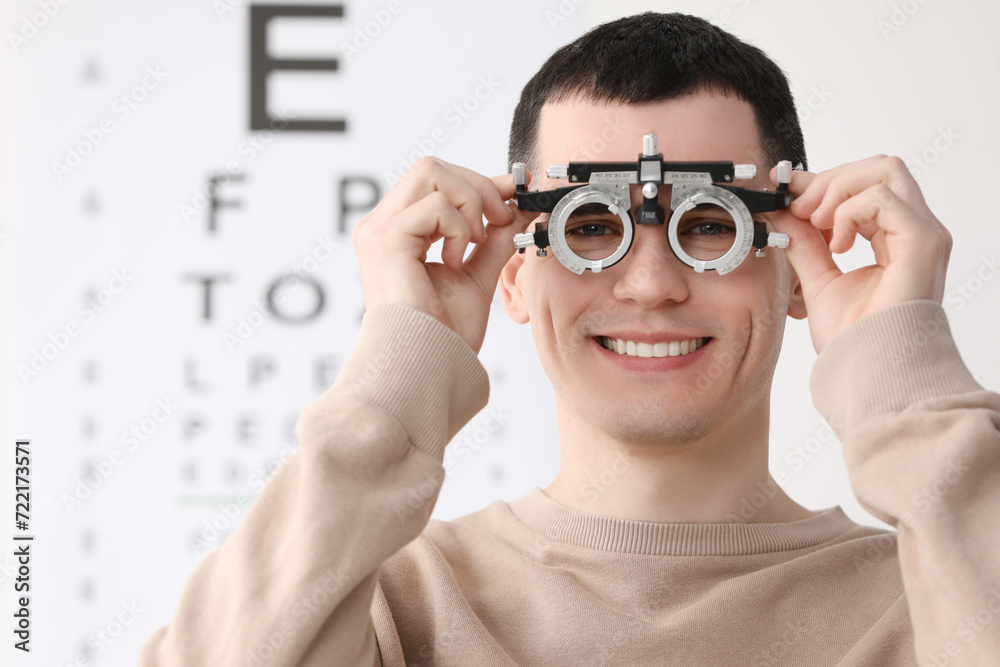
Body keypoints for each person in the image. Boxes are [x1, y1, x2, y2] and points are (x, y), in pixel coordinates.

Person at [139, 12, 1000, 666]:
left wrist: (906, 381)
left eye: (711, 225)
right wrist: (397, 369)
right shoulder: (395, 607)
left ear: (796, 264)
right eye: (591, 228)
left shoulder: (938, 594)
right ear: (515, 271)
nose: (651, 282)